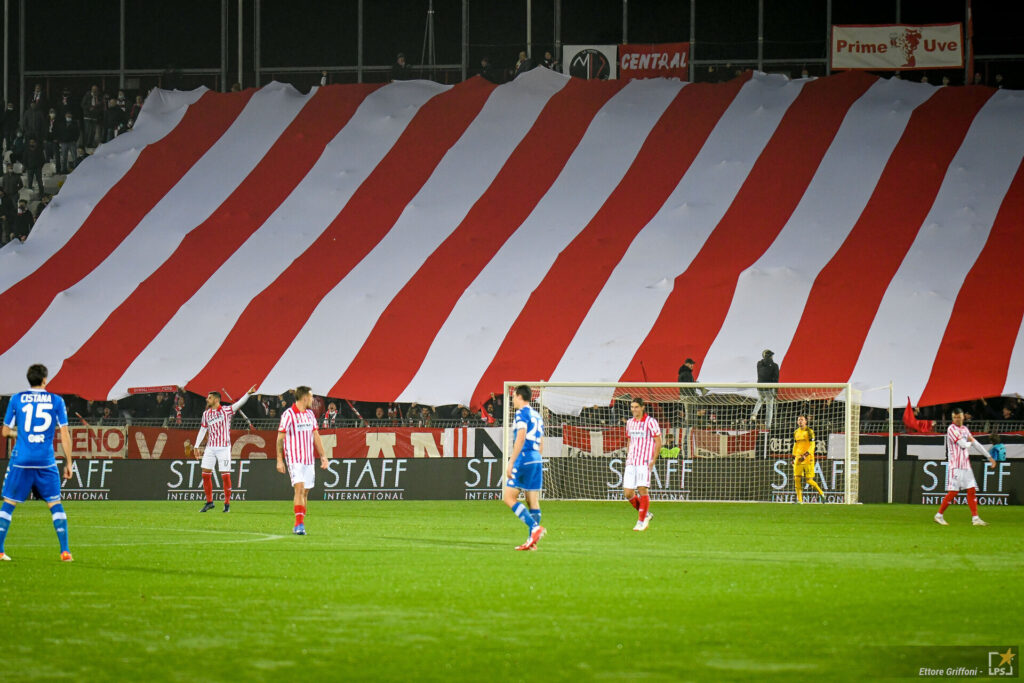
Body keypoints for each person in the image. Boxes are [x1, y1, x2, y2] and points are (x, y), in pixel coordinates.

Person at [0, 364, 75, 562]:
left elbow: (5, 432)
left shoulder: (16, 399)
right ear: (45, 380)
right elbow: (65, 433)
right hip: (45, 460)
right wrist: (69, 462)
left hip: (21, 460)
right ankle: (65, 550)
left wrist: (22, 434)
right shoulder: (56, 401)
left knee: (8, 504)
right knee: (54, 503)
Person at [192, 386, 255, 513]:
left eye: (209, 398)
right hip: (210, 447)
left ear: (216, 399)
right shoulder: (206, 414)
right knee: (205, 474)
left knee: (225, 476)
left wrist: (248, 394)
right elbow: (203, 429)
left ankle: (227, 504)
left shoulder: (226, 411)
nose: (206, 399)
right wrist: (196, 445)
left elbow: (238, 404)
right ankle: (209, 502)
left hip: (223, 448)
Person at [276, 386, 329, 535]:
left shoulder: (310, 415)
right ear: (305, 397)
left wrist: (323, 456)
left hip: (308, 460)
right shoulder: (288, 414)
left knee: (305, 492)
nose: (313, 400)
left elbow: (316, 436)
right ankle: (299, 524)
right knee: (299, 489)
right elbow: (280, 438)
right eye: (311, 397)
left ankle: (299, 522)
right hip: (294, 459)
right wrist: (280, 460)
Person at [934, 407, 996, 526]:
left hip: (966, 465)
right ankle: (939, 515)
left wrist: (989, 457)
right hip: (956, 465)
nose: (957, 419)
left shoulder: (965, 429)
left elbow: (975, 444)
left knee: (972, 490)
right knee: (953, 492)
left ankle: (975, 518)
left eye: (959, 417)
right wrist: (970, 442)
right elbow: (962, 444)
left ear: (963, 417)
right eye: (954, 417)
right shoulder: (951, 429)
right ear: (952, 418)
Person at [502, 385, 546, 551]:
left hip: (524, 457)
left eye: (513, 396)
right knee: (532, 500)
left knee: (508, 498)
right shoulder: (537, 415)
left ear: (520, 396)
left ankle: (534, 528)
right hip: (536, 458)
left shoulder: (521, 413)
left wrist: (512, 461)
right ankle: (531, 541)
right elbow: (541, 441)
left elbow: (521, 437)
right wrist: (536, 457)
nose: (512, 400)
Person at [624, 397, 661, 531]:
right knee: (628, 493)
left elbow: (658, 441)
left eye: (636, 407)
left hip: (644, 461)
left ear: (642, 407)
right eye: (632, 407)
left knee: (642, 488)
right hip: (631, 461)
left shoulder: (651, 422)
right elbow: (629, 440)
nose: (634, 409)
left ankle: (640, 521)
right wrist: (628, 456)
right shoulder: (629, 423)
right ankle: (646, 514)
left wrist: (653, 460)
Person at [792, 415, 826, 503]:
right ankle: (800, 501)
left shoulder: (810, 431)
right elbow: (795, 445)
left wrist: (805, 455)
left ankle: (821, 493)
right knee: (796, 479)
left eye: (802, 420)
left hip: (808, 459)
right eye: (799, 420)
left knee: (809, 480)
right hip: (798, 458)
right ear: (797, 422)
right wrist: (793, 456)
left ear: (805, 422)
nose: (800, 421)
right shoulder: (796, 432)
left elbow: (812, 445)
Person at [750, 349, 779, 428]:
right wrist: (776, 391)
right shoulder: (775, 365)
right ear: (770, 356)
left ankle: (754, 414)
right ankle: (768, 426)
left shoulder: (759, 364)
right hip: (769, 388)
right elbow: (776, 379)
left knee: (761, 399)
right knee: (769, 408)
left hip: (760, 387)